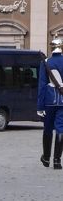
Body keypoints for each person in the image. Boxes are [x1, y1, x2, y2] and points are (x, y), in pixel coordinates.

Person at [37, 36, 63, 169]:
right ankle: (57, 161)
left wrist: (40, 106)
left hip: (49, 100)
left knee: (47, 129)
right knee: (61, 129)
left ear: (51, 48)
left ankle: (46, 158)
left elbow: (42, 85)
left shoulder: (46, 62)